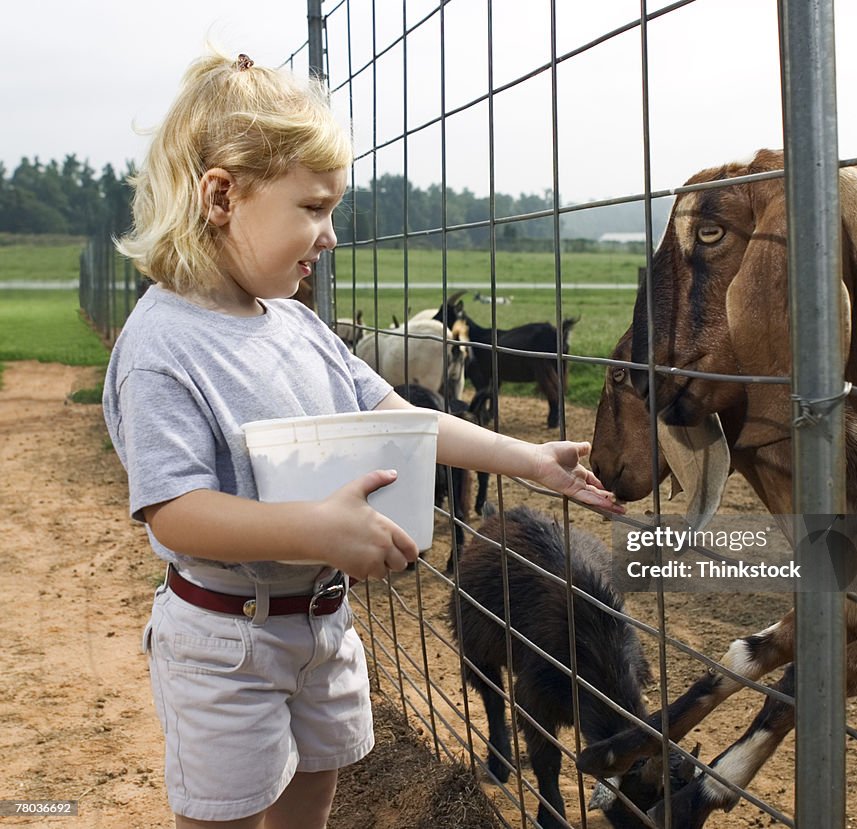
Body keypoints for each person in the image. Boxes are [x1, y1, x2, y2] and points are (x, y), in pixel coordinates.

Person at [102, 50, 622, 829]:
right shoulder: (162, 348)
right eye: (313, 208)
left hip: (320, 621)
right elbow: (174, 511)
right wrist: (316, 528)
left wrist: (527, 459)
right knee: (228, 814)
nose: (331, 236)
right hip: (225, 643)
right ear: (221, 195)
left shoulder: (299, 327)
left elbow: (403, 420)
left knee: (314, 791)